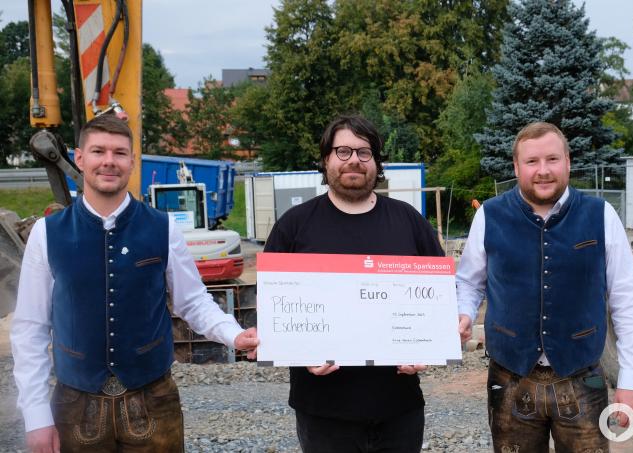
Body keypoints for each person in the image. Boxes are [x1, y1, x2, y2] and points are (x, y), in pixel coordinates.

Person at [10, 114, 259, 453]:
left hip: (153, 403)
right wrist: (37, 416)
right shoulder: (47, 233)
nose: (109, 161)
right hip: (75, 405)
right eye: (98, 151)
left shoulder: (163, 228)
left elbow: (193, 301)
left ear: (131, 161)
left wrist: (234, 334)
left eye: (119, 152)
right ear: (80, 158)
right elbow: (30, 328)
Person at [456, 122, 633, 452]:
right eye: (532, 162)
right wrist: (462, 313)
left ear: (568, 162)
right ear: (516, 167)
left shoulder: (601, 215)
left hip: (581, 378)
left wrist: (632, 381)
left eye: (552, 159)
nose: (543, 171)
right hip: (510, 378)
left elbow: (627, 297)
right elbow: (469, 282)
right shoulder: (489, 215)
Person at [263, 114, 444, 453]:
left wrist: (429, 344)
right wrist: (297, 349)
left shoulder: (409, 222)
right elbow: (273, 308)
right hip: (323, 411)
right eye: (343, 151)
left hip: (398, 406)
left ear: (376, 162)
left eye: (364, 152)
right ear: (326, 159)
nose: (354, 161)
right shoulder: (294, 226)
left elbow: (440, 300)